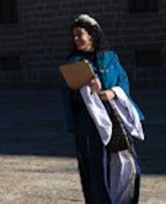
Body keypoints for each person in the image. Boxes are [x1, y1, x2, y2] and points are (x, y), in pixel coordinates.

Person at [61, 14, 144, 204]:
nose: (76, 39)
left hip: (116, 120)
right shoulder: (73, 62)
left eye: (79, 34)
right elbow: (67, 93)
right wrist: (85, 89)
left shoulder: (110, 57)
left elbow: (123, 81)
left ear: (92, 35)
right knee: (97, 168)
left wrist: (113, 93)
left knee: (126, 165)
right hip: (89, 126)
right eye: (73, 36)